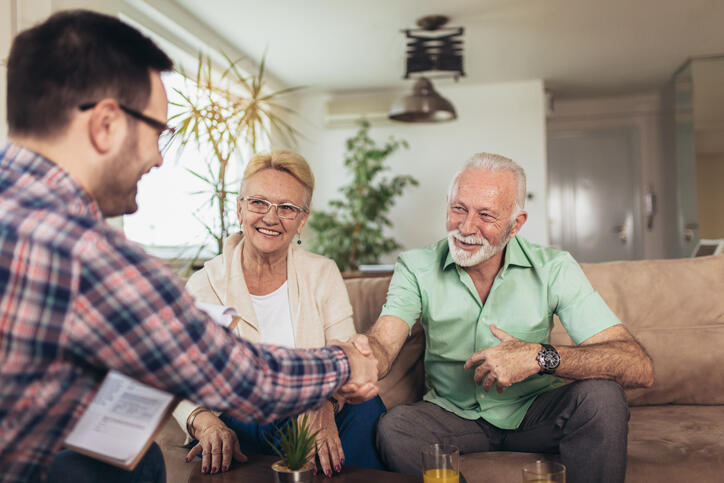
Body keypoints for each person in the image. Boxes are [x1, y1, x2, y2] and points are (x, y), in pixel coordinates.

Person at [0, 10, 377, 483]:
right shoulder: (81, 252)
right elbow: (244, 377)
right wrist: (345, 362)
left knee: (136, 460)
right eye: (157, 131)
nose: (158, 157)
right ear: (105, 125)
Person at [344, 153, 654, 483]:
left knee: (602, 398)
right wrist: (363, 359)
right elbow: (384, 342)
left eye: (486, 215)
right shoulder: (416, 266)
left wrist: (539, 356)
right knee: (395, 427)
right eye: (458, 208)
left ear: (515, 223)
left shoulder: (554, 268)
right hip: (452, 415)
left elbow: (638, 366)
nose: (465, 228)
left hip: (535, 411)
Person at [173, 150, 385, 477]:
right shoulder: (205, 285)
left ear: (302, 220)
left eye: (286, 208)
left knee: (366, 407)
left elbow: (345, 356)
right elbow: (177, 375)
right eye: (259, 203)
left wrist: (325, 406)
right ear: (240, 208)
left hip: (309, 410)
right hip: (242, 420)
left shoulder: (323, 273)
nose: (271, 218)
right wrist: (205, 423)